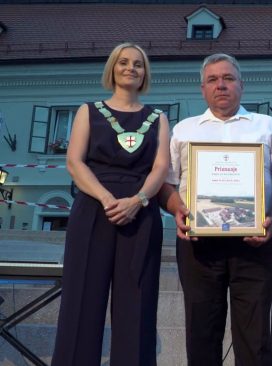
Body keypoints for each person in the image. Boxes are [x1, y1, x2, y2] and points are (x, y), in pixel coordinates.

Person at [158, 53, 272, 366]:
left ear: (242, 85)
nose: (220, 85)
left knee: (255, 335)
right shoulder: (184, 130)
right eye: (212, 80)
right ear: (202, 89)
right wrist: (176, 209)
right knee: (201, 331)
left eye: (228, 78)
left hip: (255, 241)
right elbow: (165, 183)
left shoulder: (267, 127)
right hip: (198, 242)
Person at [52, 43, 170, 365]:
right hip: (93, 210)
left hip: (141, 213)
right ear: (112, 68)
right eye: (123, 62)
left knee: (138, 303)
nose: (131, 68)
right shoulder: (87, 110)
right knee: (81, 302)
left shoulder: (159, 118)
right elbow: (75, 163)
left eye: (138, 64)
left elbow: (160, 167)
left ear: (145, 73)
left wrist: (138, 200)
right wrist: (106, 198)